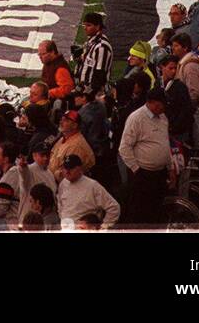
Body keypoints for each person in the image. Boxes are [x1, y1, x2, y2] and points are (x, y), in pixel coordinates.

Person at [118, 86, 172, 224]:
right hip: (142, 174)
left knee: (155, 210)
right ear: (152, 102)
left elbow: (165, 142)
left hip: (160, 174)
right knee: (139, 211)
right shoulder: (136, 118)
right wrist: (136, 169)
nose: (164, 108)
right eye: (162, 104)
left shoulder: (163, 117)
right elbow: (124, 147)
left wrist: (170, 168)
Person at [57, 154, 120, 231]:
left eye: (71, 168)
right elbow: (60, 206)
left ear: (79, 168)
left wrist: (103, 227)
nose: (67, 172)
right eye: (65, 168)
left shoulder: (92, 185)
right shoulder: (63, 184)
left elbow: (114, 207)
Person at [74, 12, 113, 93]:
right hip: (84, 89)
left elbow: (100, 74)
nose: (85, 28)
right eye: (84, 25)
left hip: (93, 92)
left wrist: (90, 94)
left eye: (88, 25)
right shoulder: (91, 41)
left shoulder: (101, 47)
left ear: (98, 26)